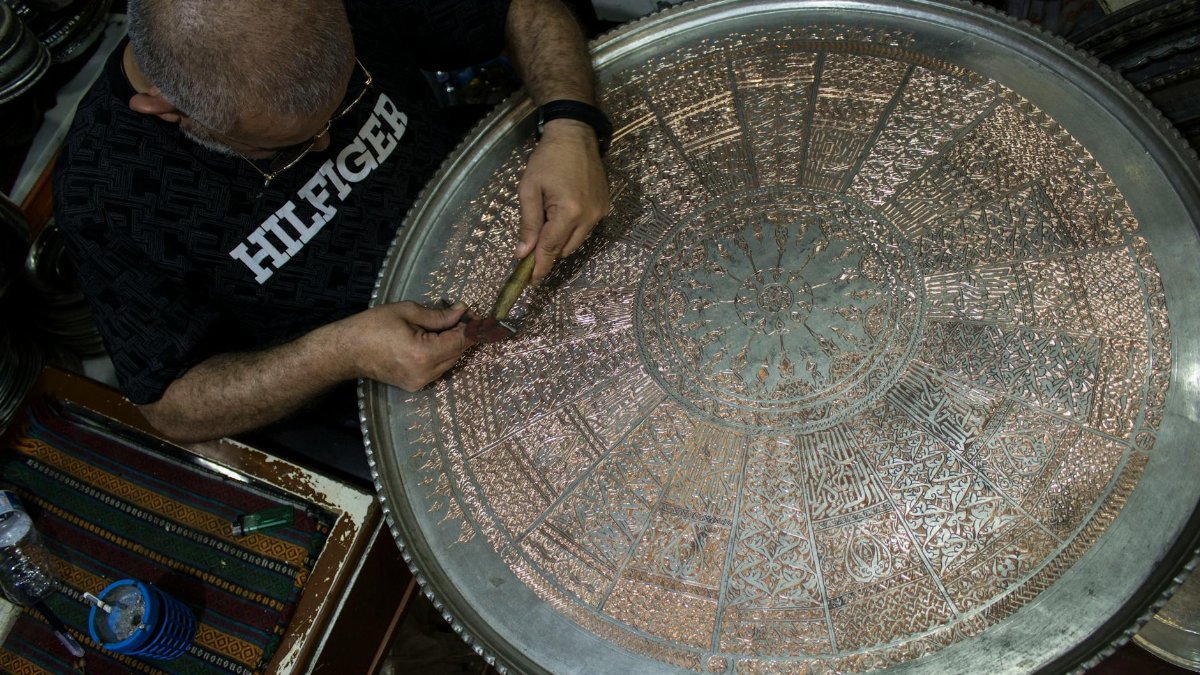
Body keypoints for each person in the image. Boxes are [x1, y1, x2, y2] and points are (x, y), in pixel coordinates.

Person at [53, 0, 610, 481]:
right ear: (165, 107)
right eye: (285, 147)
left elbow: (519, 6)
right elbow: (169, 403)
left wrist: (569, 125)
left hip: (505, 221)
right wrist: (337, 353)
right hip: (384, 385)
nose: (326, 143)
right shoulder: (106, 189)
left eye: (344, 100)